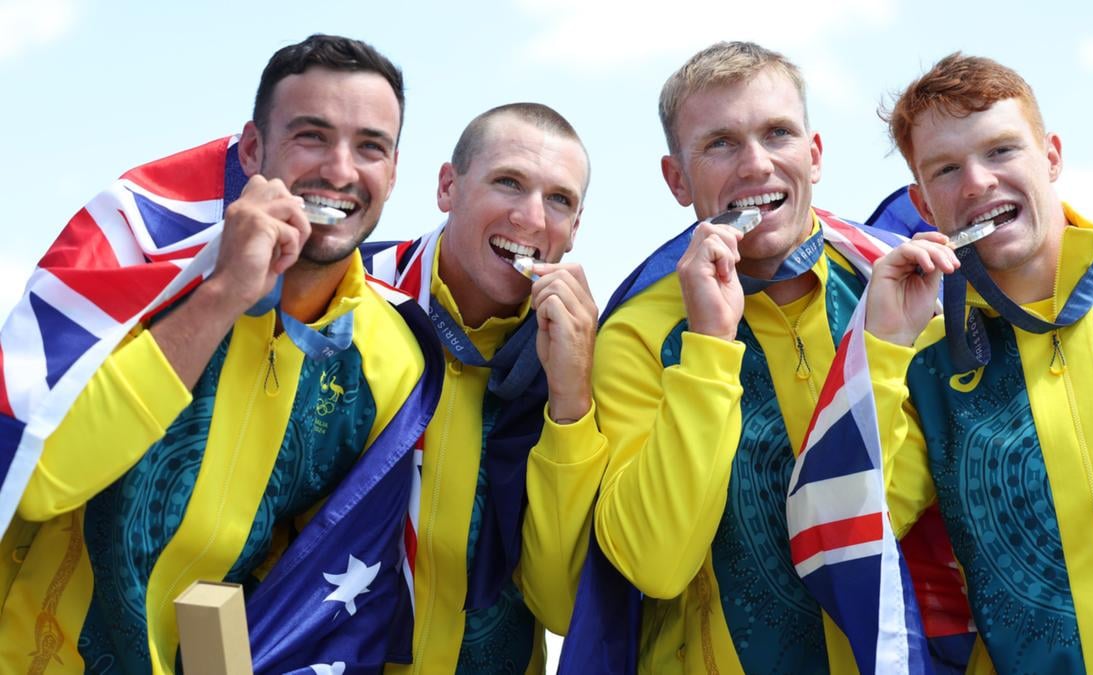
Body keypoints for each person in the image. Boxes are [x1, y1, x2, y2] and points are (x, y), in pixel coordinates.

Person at [0, 34, 437, 672]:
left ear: (394, 173)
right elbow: (36, 482)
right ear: (253, 149)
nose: (341, 171)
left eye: (370, 146)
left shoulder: (393, 357)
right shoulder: (145, 264)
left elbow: (321, 586)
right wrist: (225, 295)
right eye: (311, 136)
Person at [865, 52, 1093, 673]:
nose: (978, 183)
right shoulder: (921, 364)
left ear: (1051, 156)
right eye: (946, 169)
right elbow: (853, 528)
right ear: (922, 202)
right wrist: (881, 347)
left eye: (1000, 151)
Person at [586, 41, 911, 673]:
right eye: (720, 144)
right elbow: (656, 562)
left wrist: (887, 348)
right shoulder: (635, 333)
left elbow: (912, 516)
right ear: (677, 178)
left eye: (778, 134)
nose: (757, 165)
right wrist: (708, 343)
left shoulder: (895, 290)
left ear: (814, 157)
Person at [363, 102, 608, 673]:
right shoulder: (350, 303)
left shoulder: (586, 352)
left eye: (559, 200)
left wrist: (571, 400)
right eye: (508, 182)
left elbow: (563, 604)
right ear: (448, 186)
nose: (530, 217)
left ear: (574, 230)